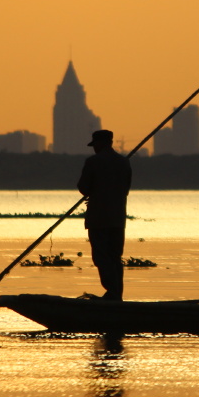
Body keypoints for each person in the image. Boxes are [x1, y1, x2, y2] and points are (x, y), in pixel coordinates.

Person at [77, 129, 132, 301]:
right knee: (115, 257)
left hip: (98, 218)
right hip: (117, 218)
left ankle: (112, 293)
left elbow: (83, 188)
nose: (94, 149)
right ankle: (116, 295)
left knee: (101, 256)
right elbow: (126, 190)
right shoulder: (124, 163)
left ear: (101, 144)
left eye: (95, 145)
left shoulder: (93, 162)